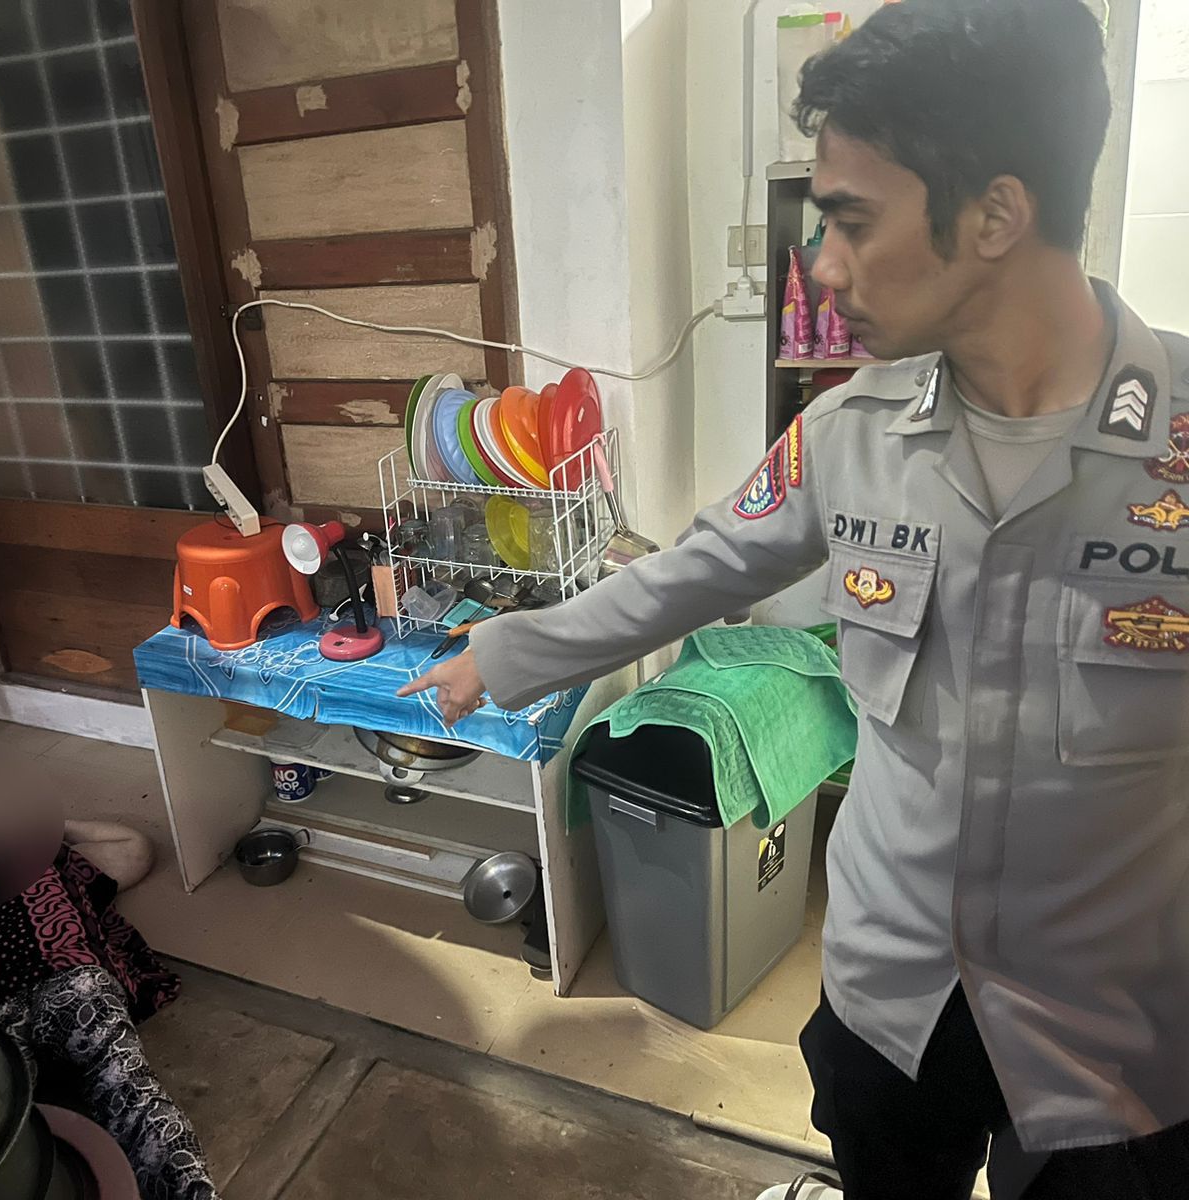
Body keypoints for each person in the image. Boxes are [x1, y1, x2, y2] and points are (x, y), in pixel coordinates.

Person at [400, 2, 1189, 1197]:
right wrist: (510, 653)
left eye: (850, 222)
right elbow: (693, 572)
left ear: (994, 214)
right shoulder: (849, 433)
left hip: (1113, 1026)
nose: (818, 264)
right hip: (895, 997)